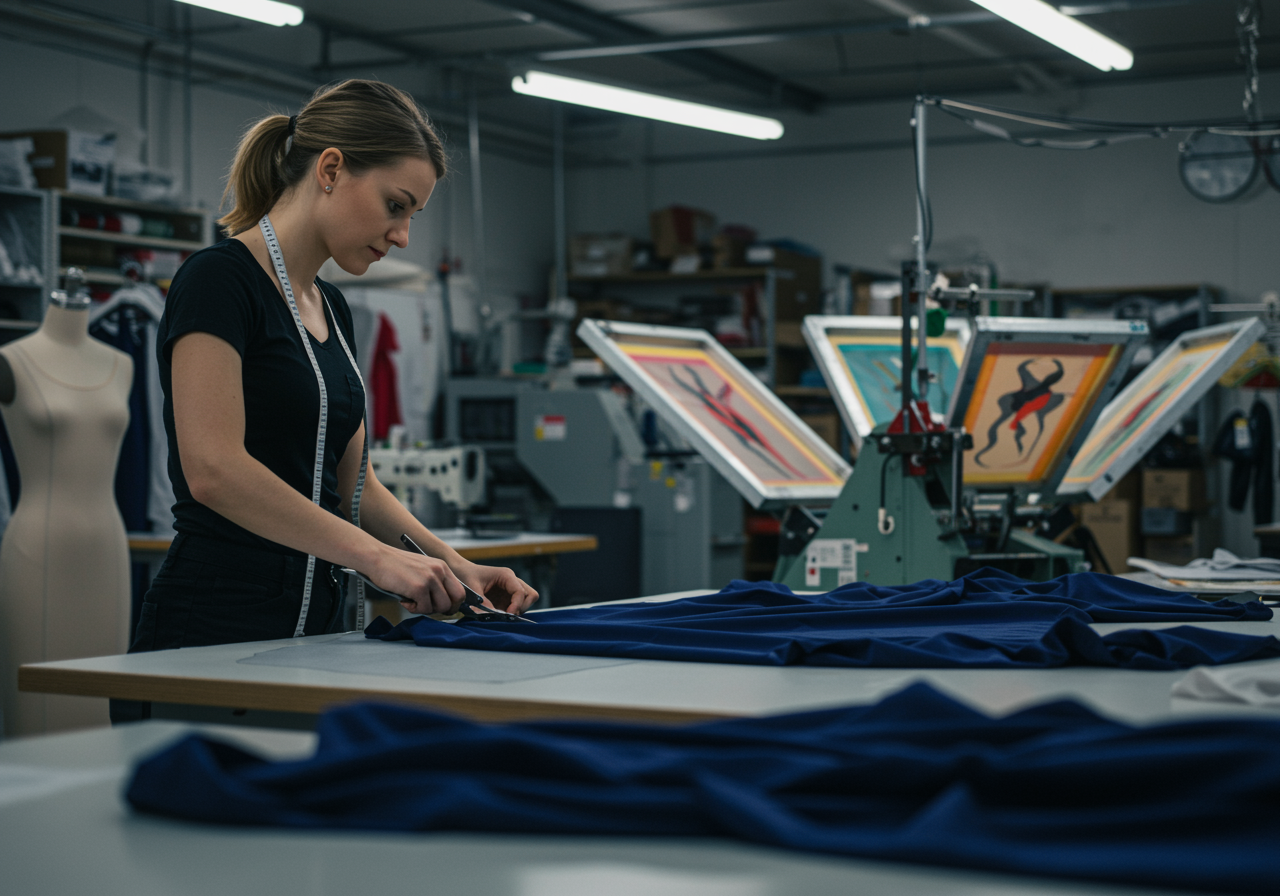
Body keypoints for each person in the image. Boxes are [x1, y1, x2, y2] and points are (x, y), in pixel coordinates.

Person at [128, 79, 537, 661]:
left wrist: (457, 567)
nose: (402, 236)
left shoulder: (332, 306)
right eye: (396, 206)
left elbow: (356, 488)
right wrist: (376, 558)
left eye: (413, 214)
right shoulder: (218, 282)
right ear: (330, 169)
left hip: (314, 637)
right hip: (212, 628)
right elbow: (213, 469)